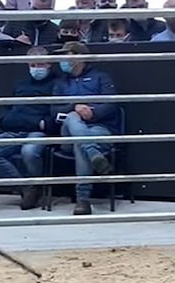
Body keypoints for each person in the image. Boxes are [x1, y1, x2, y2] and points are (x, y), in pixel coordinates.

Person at [0, 46, 58, 210]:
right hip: (16, 131)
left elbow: (52, 119)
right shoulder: (20, 84)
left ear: (49, 64)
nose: (36, 69)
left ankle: (35, 186)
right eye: (32, 65)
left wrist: (27, 121)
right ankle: (26, 187)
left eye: (40, 64)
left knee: (29, 152)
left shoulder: (58, 84)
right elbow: (5, 117)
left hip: (39, 133)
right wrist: (34, 121)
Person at [50, 41, 122, 215]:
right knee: (73, 117)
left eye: (65, 55)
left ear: (79, 57)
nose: (61, 59)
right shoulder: (60, 83)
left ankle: (83, 200)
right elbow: (53, 111)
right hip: (67, 133)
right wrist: (75, 107)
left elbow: (111, 104)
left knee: (79, 143)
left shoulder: (101, 77)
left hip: (99, 128)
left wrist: (92, 112)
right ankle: (93, 153)